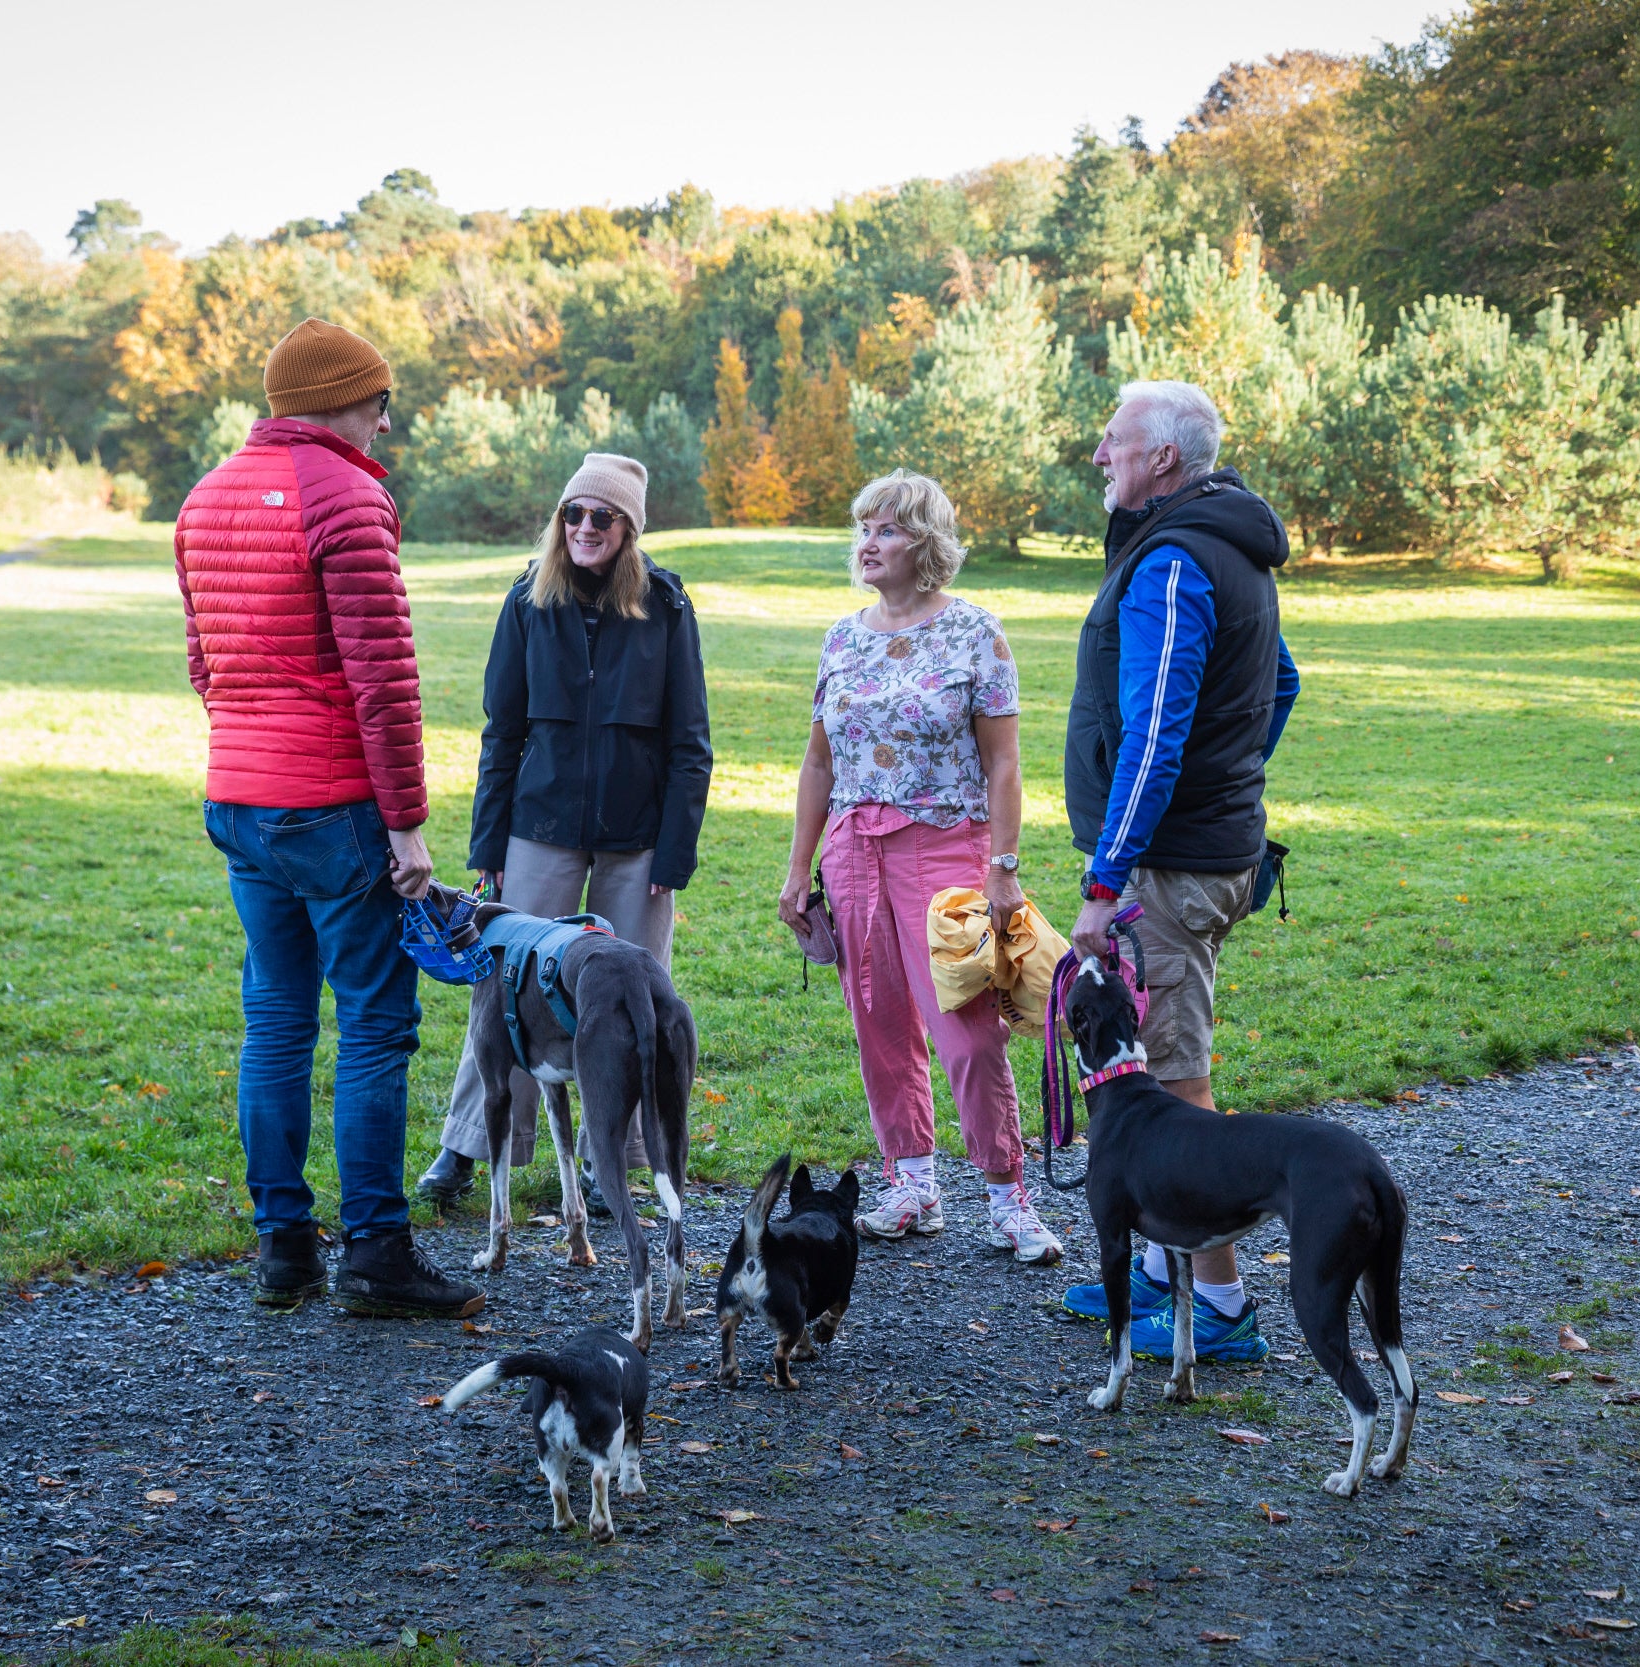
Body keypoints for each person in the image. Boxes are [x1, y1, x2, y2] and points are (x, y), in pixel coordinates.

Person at [176, 316, 483, 1320]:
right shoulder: (346, 496)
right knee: (376, 1021)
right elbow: (383, 680)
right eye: (378, 402)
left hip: (239, 797)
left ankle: (283, 1248)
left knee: (274, 1016)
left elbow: (203, 665)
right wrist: (407, 825)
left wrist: (252, 751)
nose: (385, 423)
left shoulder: (204, 496)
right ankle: (377, 1254)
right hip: (334, 805)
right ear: (339, 400)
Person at [1057, 380, 1300, 1362]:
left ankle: (1225, 1307)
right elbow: (1282, 682)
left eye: (1113, 440)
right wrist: (1230, 776)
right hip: (1208, 849)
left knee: (1172, 1077)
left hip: (1170, 865)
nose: (1099, 454)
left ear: (1162, 458)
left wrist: (1105, 878)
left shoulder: (1174, 560)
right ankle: (1160, 1273)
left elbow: (1155, 735)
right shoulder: (1223, 543)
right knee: (1163, 1066)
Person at [776, 469, 1063, 1266]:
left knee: (969, 1033)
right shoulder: (842, 637)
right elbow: (817, 763)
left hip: (948, 849)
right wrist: (799, 869)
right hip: (854, 851)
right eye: (863, 528)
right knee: (880, 1025)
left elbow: (1004, 763)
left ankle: (1007, 1196)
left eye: (887, 529)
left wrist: (1004, 865)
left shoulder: (976, 632)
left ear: (926, 543)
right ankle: (913, 1184)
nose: (867, 544)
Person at [417, 453, 711, 1214]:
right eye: (573, 513)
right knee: (506, 990)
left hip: (637, 838)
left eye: (602, 516)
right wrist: (488, 847)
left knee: (634, 996)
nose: (585, 527)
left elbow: (690, 740)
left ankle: (622, 1159)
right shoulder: (527, 599)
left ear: (628, 528)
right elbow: (501, 732)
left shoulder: (666, 606)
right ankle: (468, 1144)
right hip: (539, 823)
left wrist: (675, 850)